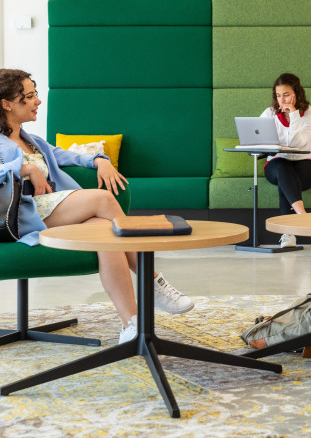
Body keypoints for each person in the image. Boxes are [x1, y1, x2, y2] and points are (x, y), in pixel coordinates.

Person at [0, 69, 195, 345]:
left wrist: (100, 160)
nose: (38, 102)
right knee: (102, 199)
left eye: (36, 94)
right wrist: (25, 167)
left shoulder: (32, 140)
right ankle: (152, 281)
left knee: (105, 232)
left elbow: (67, 155)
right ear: (6, 104)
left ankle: (131, 324)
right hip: (22, 218)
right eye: (29, 97)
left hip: (49, 212)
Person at [261, 73, 311, 249]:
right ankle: (302, 216)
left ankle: (288, 233)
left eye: (286, 94)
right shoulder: (269, 114)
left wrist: (294, 115)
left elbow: (297, 144)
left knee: (285, 181)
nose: (282, 100)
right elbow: (259, 138)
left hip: (308, 163)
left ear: (297, 93)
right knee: (282, 167)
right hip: (277, 164)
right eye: (278, 95)